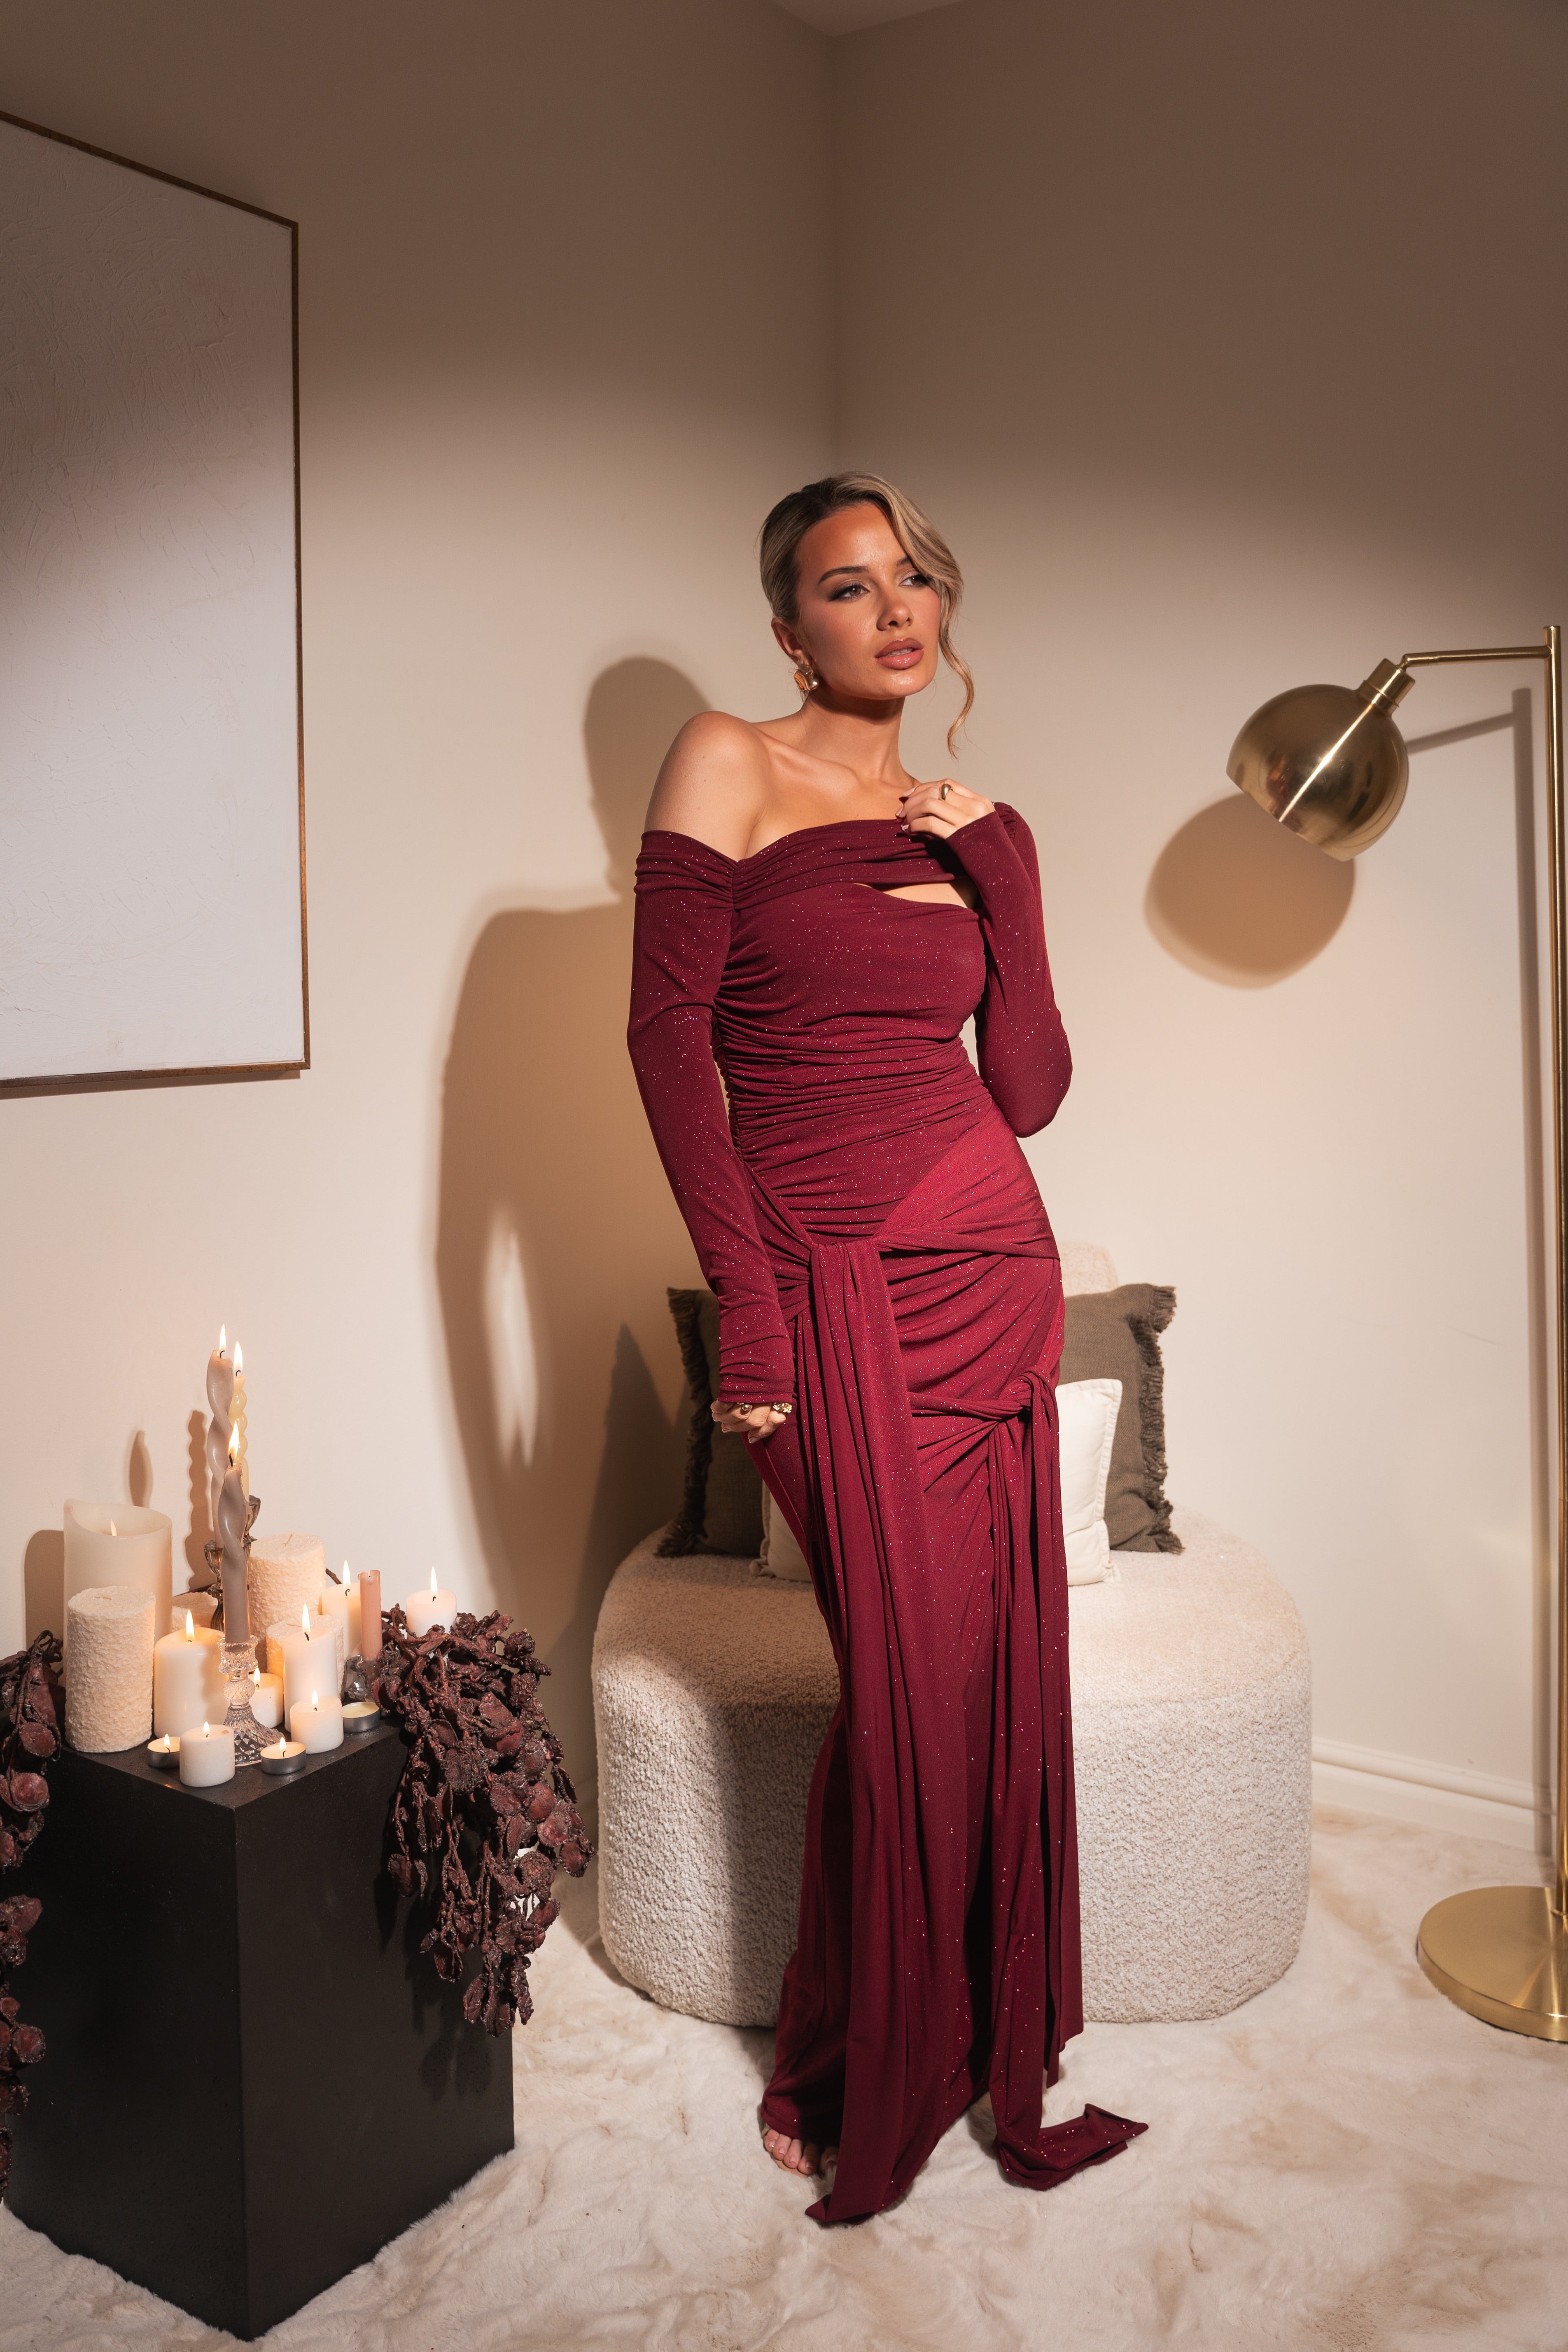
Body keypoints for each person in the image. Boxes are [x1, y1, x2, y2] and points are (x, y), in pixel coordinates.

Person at [626, 472, 1145, 2224]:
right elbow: (665, 1047)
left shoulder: (967, 823)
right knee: (907, 1677)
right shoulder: (725, 758)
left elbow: (1030, 1089)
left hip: (987, 1263)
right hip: (827, 1285)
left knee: (977, 1680)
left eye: (915, 575)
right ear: (791, 629)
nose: (896, 607)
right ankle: (849, 2048)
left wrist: (1006, 871)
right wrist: (749, 1305)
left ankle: (941, 2028)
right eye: (851, 586)